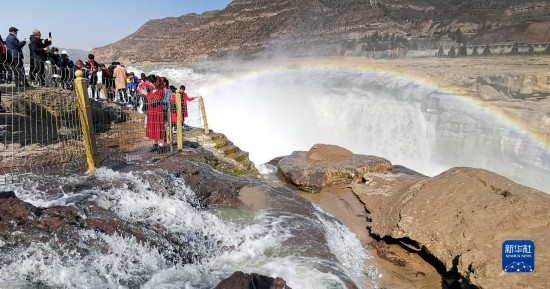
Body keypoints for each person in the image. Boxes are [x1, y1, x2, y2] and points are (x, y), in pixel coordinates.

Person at [145, 77, 167, 153]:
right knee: (153, 128)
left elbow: (153, 101)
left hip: (157, 112)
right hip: (151, 112)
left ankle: (160, 146)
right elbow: (150, 100)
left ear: (154, 83)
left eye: (150, 82)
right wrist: (147, 95)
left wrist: (146, 94)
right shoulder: (151, 91)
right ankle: (154, 145)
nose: (149, 84)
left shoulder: (160, 91)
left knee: (158, 128)